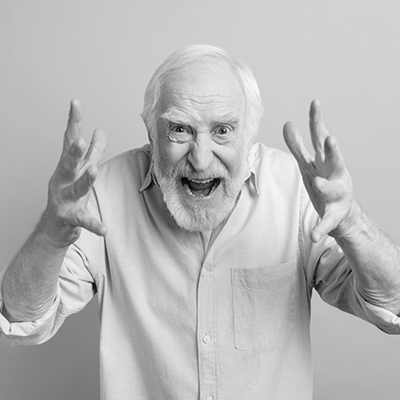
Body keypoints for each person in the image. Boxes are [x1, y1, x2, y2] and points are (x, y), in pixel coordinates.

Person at [1, 44, 400, 400]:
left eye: (223, 130)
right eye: (180, 129)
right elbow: (21, 319)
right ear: (151, 131)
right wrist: (51, 234)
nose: (201, 158)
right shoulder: (102, 194)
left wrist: (352, 224)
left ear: (249, 133)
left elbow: (393, 308)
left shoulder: (297, 191)